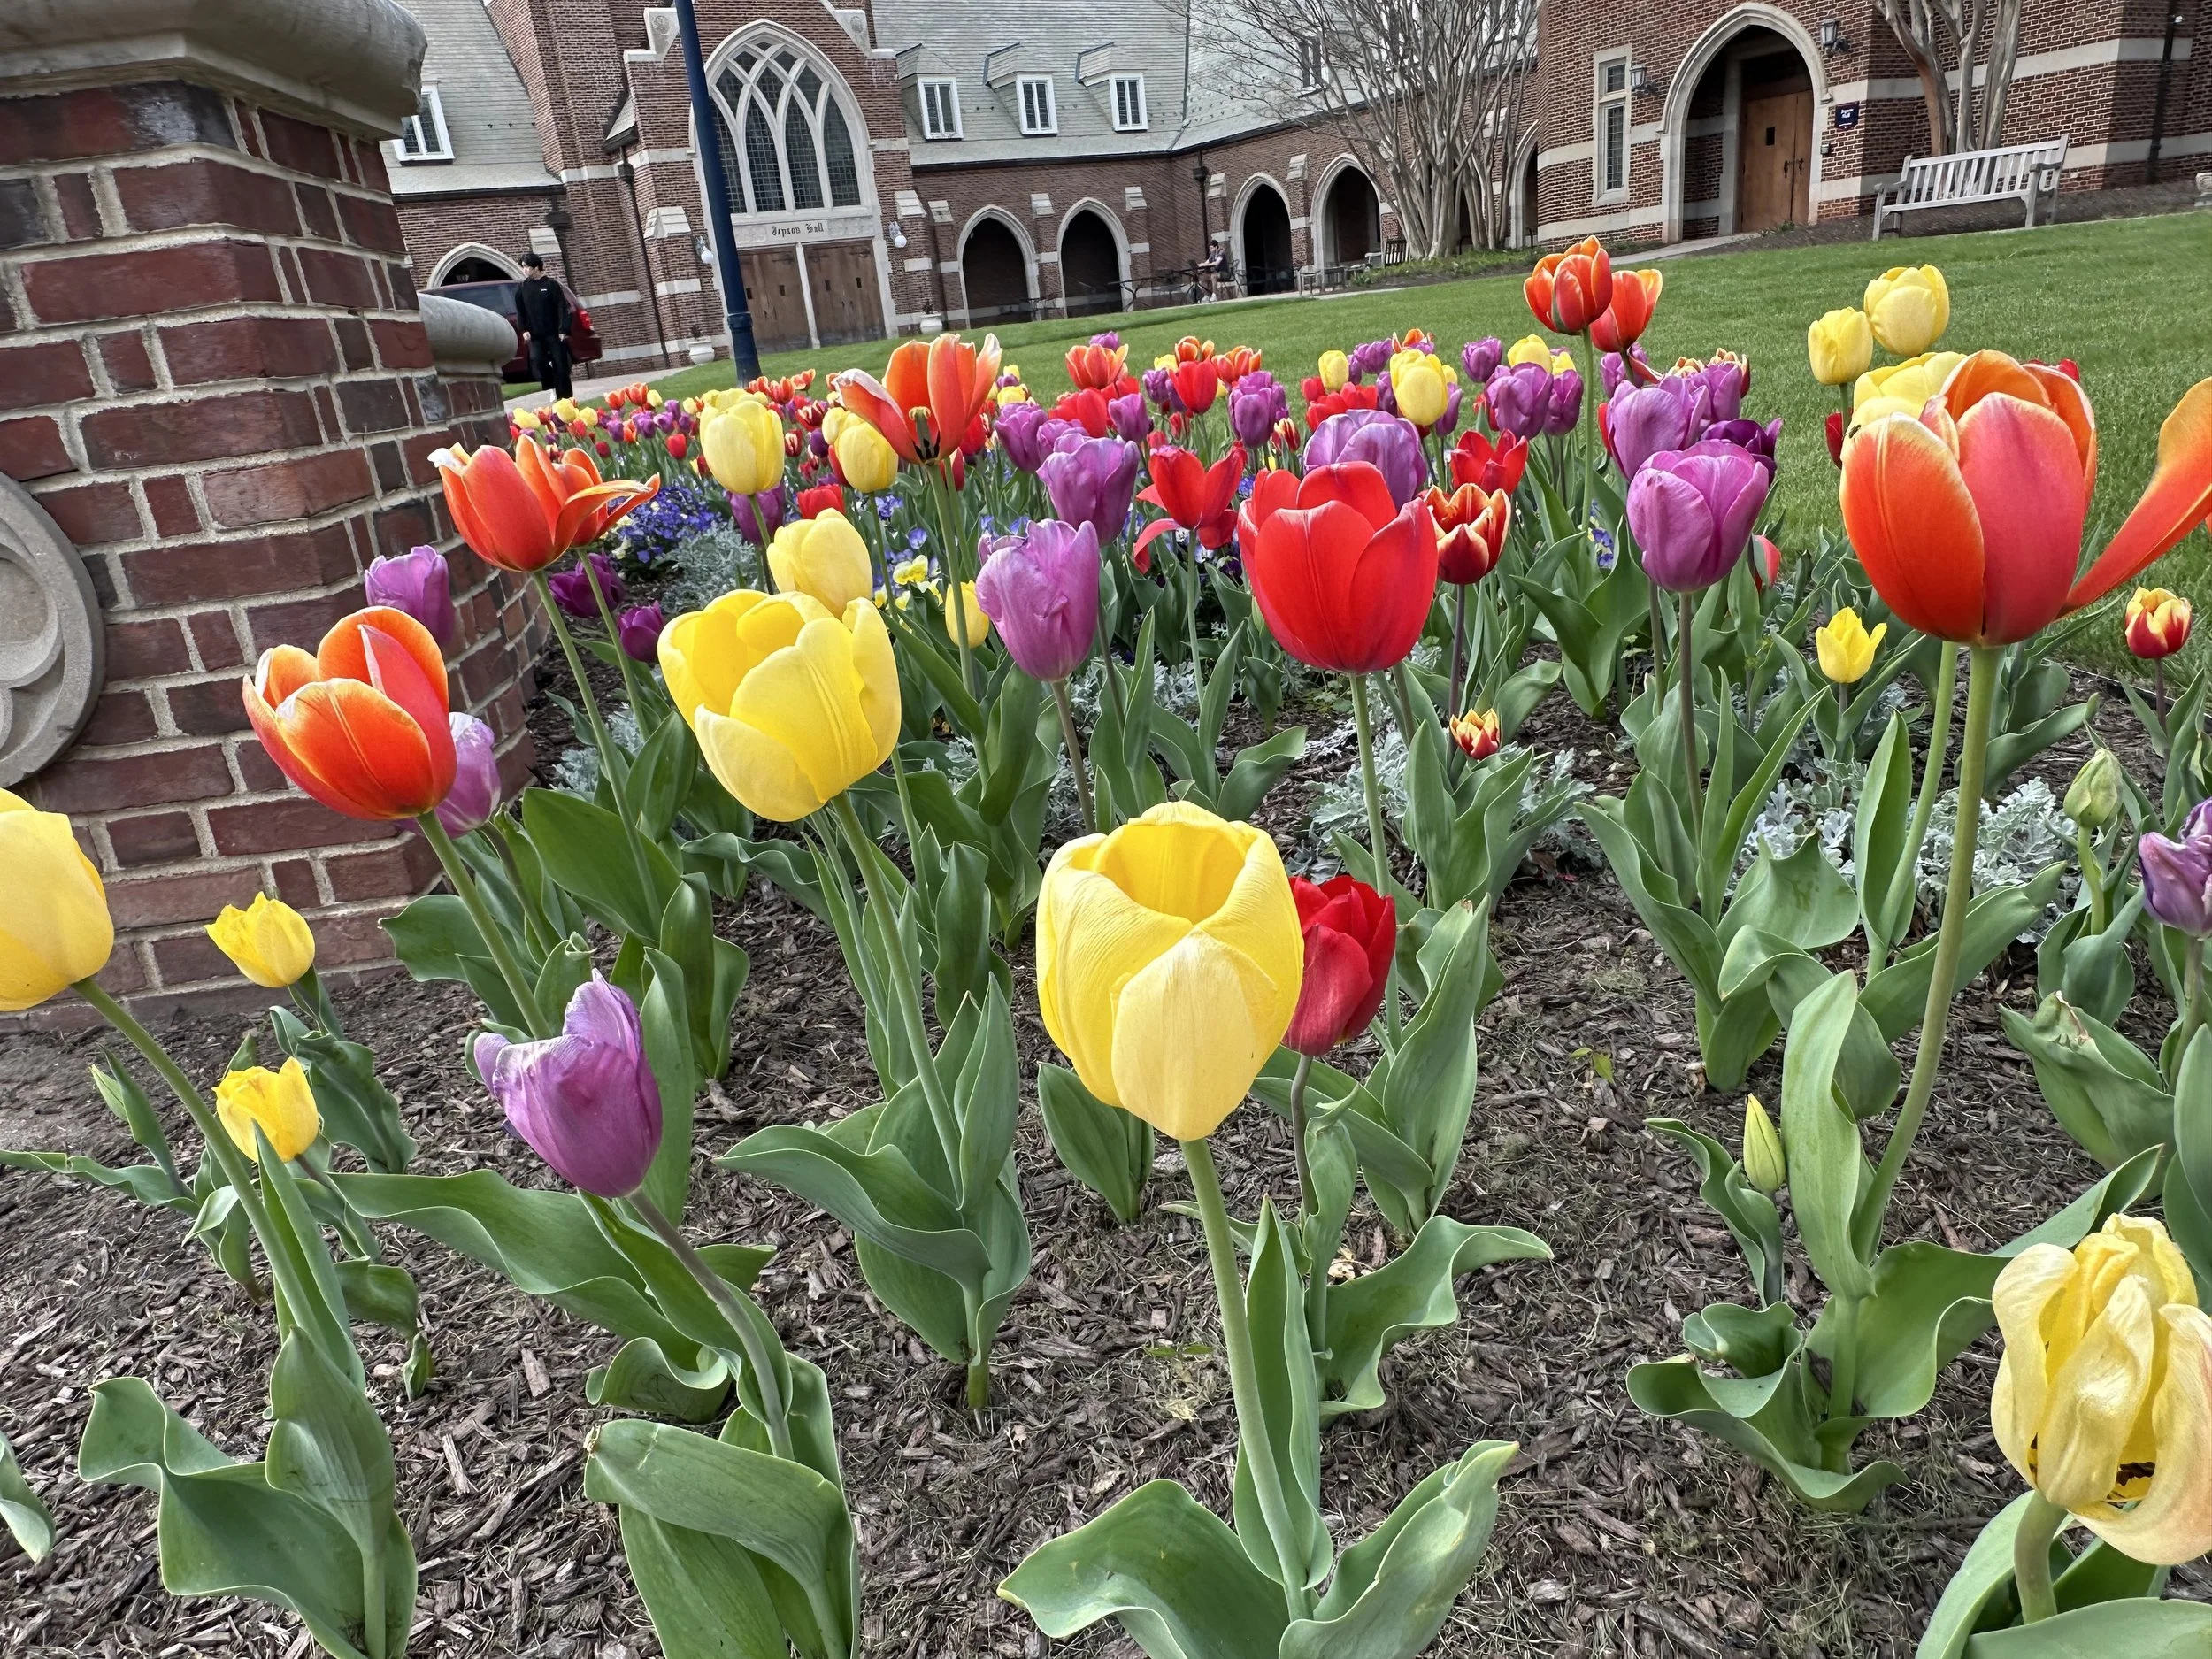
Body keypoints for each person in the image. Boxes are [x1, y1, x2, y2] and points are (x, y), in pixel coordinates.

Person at [514, 252, 573, 400]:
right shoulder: (523, 287)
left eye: (527, 267)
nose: (524, 270)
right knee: (538, 360)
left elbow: (562, 307)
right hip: (535, 334)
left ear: (536, 267)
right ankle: (552, 387)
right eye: (523, 267)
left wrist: (563, 329)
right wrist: (524, 330)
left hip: (554, 333)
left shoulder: (551, 284)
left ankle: (566, 397)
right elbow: (520, 311)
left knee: (560, 363)